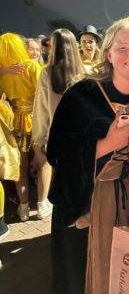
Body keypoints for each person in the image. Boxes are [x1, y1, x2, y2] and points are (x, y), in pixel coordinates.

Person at [46, 17, 129, 294]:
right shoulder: (82, 94)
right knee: (82, 280)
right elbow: (56, 153)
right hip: (85, 207)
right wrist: (106, 143)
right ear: (108, 54)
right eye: (122, 48)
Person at [32, 29, 86, 219]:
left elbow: (41, 109)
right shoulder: (85, 73)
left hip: (59, 137)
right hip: (84, 137)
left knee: (62, 182)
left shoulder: (47, 73)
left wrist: (38, 137)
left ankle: (65, 224)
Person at [0, 33, 41, 221]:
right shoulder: (31, 66)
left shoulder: (3, 73)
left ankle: (23, 207)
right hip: (35, 118)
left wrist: (3, 70)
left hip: (14, 121)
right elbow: (43, 93)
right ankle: (42, 204)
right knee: (43, 161)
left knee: (20, 164)